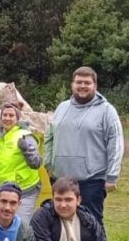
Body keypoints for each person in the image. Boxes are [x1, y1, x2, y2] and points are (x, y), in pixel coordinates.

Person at [44, 66, 124, 224]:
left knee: (91, 224)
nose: (82, 86)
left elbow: (116, 143)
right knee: (61, 223)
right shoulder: (62, 107)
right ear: (72, 84)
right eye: (78, 82)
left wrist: (112, 176)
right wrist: (48, 164)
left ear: (95, 85)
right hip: (61, 178)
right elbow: (49, 136)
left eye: (87, 82)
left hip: (91, 181)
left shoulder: (107, 111)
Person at [0, 103, 42, 225]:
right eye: (4, 115)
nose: (7, 118)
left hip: (25, 190)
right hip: (3, 190)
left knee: (21, 227)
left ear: (17, 119)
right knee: (1, 226)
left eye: (11, 115)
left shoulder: (25, 136)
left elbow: (36, 163)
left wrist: (26, 149)